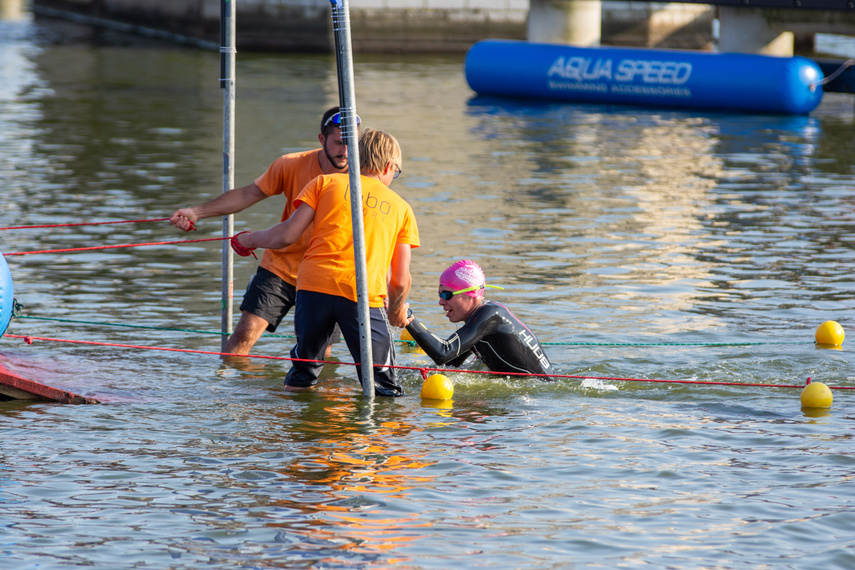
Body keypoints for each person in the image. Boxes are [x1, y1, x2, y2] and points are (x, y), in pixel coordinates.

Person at [232, 128, 419, 396]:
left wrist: (250, 239)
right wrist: (397, 309)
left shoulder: (324, 182)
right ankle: (380, 437)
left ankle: (300, 431)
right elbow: (401, 279)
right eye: (396, 173)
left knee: (304, 372)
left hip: (311, 288)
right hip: (361, 295)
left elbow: (286, 235)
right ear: (389, 166)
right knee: (384, 383)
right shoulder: (401, 208)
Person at [169, 107, 355, 355]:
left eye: (351, 144)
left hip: (326, 275)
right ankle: (236, 391)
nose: (345, 151)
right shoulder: (291, 164)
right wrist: (197, 212)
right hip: (281, 266)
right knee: (242, 336)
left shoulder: (363, 176)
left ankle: (296, 392)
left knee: (320, 355)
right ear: (322, 139)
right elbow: (248, 194)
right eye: (339, 143)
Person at [404, 260, 555, 379]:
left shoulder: (490, 315)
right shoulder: (479, 319)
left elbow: (443, 352)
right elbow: (449, 363)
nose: (441, 302)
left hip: (532, 403)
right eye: (439, 295)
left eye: (446, 295)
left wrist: (407, 317)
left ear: (469, 293)